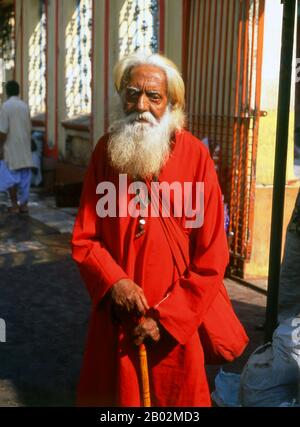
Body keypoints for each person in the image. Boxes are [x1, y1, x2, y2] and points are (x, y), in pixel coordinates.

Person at [71, 53, 233, 407]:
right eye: (132, 94)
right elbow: (85, 237)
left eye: (154, 97)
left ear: (172, 104)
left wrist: (167, 320)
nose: (140, 105)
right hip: (117, 319)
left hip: (176, 325)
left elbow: (212, 256)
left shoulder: (196, 158)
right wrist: (115, 281)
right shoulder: (105, 153)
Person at [0, 80, 33, 213]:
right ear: (18, 91)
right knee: (25, 176)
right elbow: (29, 126)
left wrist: (1, 146)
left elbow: (3, 130)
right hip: (24, 145)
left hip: (11, 146)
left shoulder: (5, 107)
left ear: (7, 92)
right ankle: (24, 204)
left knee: (10, 176)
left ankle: (14, 205)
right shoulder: (24, 106)